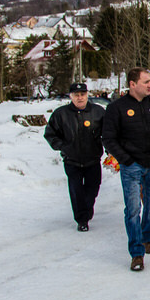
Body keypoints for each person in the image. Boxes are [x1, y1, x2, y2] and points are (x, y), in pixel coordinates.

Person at [102, 68, 150, 271]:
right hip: (132, 166)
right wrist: (125, 159)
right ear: (132, 84)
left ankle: (145, 236)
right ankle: (136, 253)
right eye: (145, 82)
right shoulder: (117, 108)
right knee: (133, 209)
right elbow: (108, 138)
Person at [44, 82, 105, 231]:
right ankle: (82, 219)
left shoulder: (98, 112)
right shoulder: (61, 114)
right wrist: (63, 146)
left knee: (93, 188)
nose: (80, 98)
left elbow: (109, 133)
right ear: (70, 96)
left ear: (87, 95)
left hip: (93, 158)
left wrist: (111, 151)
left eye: (82, 95)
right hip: (72, 160)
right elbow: (50, 133)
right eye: (76, 95)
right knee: (76, 190)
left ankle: (87, 208)